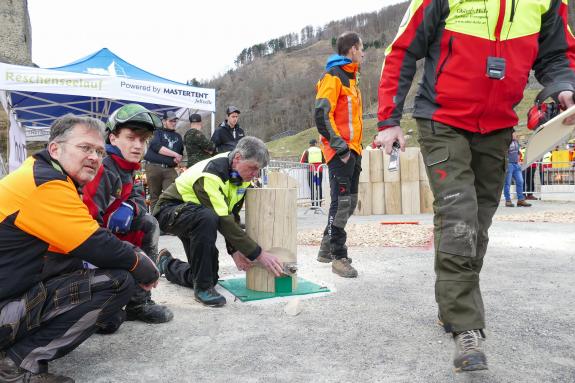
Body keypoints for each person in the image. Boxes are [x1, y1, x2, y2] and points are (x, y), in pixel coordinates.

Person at [377, 0, 575, 371]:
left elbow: (557, 55)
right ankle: (466, 328)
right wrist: (388, 118)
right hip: (441, 120)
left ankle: (452, 304)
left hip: (498, 126)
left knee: (478, 222)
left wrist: (565, 86)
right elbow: (401, 50)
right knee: (459, 216)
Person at [0, 115, 159, 383]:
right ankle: (17, 366)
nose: (95, 157)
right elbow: (95, 242)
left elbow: (75, 245)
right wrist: (140, 263)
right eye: (85, 148)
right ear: (55, 149)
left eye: (98, 151)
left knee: (88, 272)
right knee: (118, 282)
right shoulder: (47, 183)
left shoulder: (41, 174)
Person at [153, 137, 283, 307]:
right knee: (208, 217)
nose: (255, 175)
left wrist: (234, 250)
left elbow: (231, 215)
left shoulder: (239, 179)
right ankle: (203, 290)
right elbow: (222, 220)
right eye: (253, 168)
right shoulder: (212, 173)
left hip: (195, 215)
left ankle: (167, 264)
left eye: (259, 171)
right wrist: (258, 254)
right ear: (237, 159)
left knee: (208, 276)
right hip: (169, 211)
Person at [82, 104, 174, 330]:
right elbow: (86, 227)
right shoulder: (102, 169)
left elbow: (138, 202)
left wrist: (131, 208)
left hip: (105, 236)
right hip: (82, 247)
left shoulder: (127, 167)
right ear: (113, 139)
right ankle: (96, 300)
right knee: (108, 324)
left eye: (142, 141)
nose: (137, 145)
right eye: (131, 137)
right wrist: (130, 255)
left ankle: (138, 303)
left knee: (148, 224)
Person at [314, 31, 364, 278]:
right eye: (361, 48)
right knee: (341, 203)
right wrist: (340, 148)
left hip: (353, 150)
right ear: (353, 49)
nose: (363, 53)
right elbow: (321, 115)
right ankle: (338, 255)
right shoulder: (333, 77)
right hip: (340, 152)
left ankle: (326, 248)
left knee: (349, 202)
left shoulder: (352, 79)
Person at [143, 110, 184, 211]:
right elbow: (156, 146)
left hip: (170, 169)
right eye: (171, 121)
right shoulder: (157, 132)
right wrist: (174, 154)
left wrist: (178, 158)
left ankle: (167, 220)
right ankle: (154, 222)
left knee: (171, 196)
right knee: (154, 196)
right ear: (164, 121)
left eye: (175, 121)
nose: (174, 123)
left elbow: (180, 153)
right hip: (153, 167)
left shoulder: (178, 136)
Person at [504, 132, 532, 207]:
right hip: (509, 164)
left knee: (520, 181)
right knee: (507, 183)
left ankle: (520, 200)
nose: (515, 135)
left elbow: (518, 153)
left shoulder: (516, 142)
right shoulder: (506, 142)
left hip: (516, 164)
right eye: (514, 134)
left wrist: (519, 161)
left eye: (515, 134)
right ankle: (508, 200)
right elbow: (503, 153)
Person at [300, 138, 326, 207]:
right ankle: (319, 204)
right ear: (315, 144)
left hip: (311, 171)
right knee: (318, 186)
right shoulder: (320, 150)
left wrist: (309, 163)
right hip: (319, 171)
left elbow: (301, 162)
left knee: (312, 187)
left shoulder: (307, 151)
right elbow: (324, 161)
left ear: (310, 144)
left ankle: (313, 204)